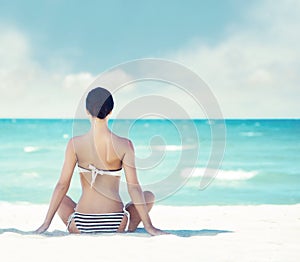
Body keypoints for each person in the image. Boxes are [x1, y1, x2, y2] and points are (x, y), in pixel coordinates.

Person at [36, 87, 166, 235]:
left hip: (80, 223)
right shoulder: (124, 145)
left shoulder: (74, 144)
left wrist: (46, 224)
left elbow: (62, 185)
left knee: (61, 198)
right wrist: (149, 226)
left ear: (87, 111)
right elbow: (134, 188)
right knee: (148, 196)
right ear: (110, 111)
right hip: (117, 223)